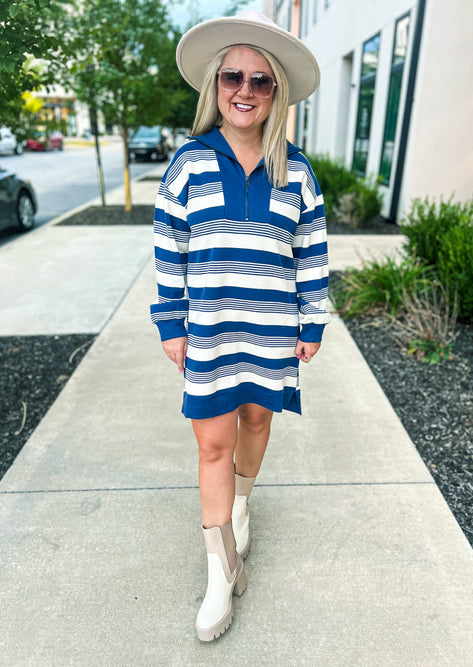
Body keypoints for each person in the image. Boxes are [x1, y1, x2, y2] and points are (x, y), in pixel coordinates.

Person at [150, 10, 330, 642]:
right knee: (211, 444)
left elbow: (312, 252)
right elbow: (168, 249)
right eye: (233, 76)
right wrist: (171, 323)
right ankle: (219, 575)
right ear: (216, 86)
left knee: (257, 421)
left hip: (274, 329)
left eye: (260, 80)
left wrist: (314, 320)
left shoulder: (298, 171)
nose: (245, 90)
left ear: (276, 91)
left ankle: (244, 504)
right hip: (211, 332)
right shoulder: (189, 165)